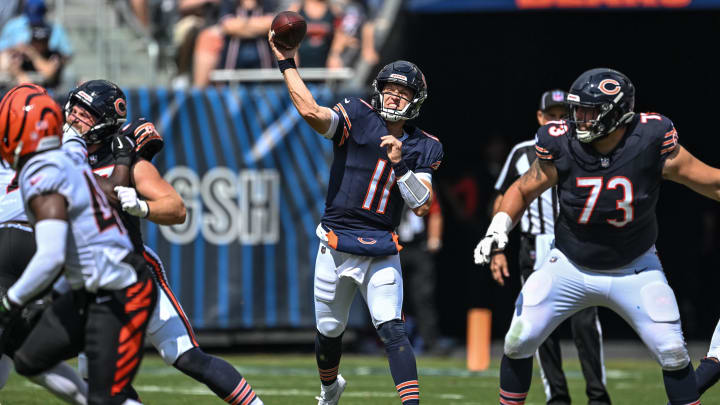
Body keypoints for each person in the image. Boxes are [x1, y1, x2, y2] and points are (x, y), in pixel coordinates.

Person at [474, 67, 720, 405]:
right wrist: (499, 227)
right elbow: (523, 188)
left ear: (618, 114)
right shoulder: (560, 141)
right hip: (569, 264)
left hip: (634, 266)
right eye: (576, 111)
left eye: (589, 112)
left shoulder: (649, 139)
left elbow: (709, 180)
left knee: (673, 352)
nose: (579, 120)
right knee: (518, 340)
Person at [62, 79, 263, 405]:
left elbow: (176, 208)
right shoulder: (63, 157)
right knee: (99, 382)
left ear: (105, 121)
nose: (74, 118)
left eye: (86, 113)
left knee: (185, 356)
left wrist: (142, 207)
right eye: (75, 109)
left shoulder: (129, 163)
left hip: (135, 272)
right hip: (90, 280)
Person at [270, 30, 443, 404]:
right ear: (379, 90)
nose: (396, 96)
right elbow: (311, 113)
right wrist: (286, 62)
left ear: (416, 101)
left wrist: (400, 166)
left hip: (381, 247)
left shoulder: (424, 145)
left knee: (392, 329)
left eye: (405, 92)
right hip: (335, 243)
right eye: (391, 89)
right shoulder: (357, 114)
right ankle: (330, 390)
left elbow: (423, 205)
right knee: (329, 332)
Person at [0, 84, 156, 405]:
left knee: (105, 397)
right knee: (29, 358)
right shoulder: (63, 156)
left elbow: (52, 255)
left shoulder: (45, 172)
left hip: (120, 290)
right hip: (86, 286)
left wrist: (11, 303)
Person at [491, 89, 610, 405]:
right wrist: (498, 248)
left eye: (563, 113)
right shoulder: (523, 152)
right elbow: (504, 198)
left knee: (586, 324)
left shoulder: (585, 147)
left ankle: (598, 396)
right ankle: (557, 396)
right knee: (539, 326)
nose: (558, 119)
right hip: (535, 246)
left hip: (578, 245)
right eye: (552, 114)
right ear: (540, 117)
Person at [397, 197, 442, 354]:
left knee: (423, 295)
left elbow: (435, 210)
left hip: (419, 246)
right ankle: (393, 342)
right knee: (392, 295)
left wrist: (434, 238)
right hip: (395, 245)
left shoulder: (422, 178)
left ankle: (430, 341)